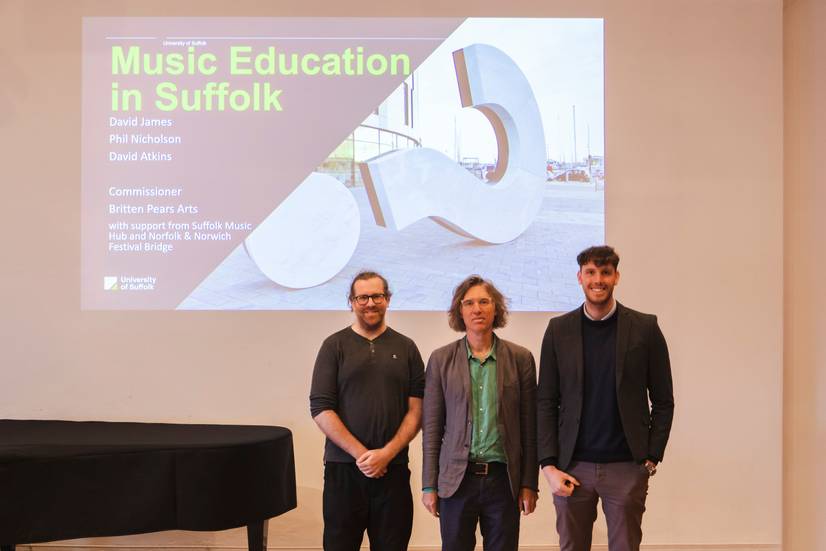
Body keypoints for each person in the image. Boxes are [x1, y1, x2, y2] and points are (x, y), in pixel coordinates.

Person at [537, 246, 674, 551]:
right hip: (572, 467)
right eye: (591, 272)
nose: (598, 280)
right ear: (579, 277)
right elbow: (545, 400)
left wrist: (650, 459)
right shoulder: (558, 330)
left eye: (605, 273)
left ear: (616, 277)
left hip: (626, 466)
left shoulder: (645, 328)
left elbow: (664, 400)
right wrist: (548, 465)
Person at [309, 271, 425, 551]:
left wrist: (386, 454)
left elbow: (417, 410)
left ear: (388, 300)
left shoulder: (406, 348)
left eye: (377, 296)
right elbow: (321, 407)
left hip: (393, 471)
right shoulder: (333, 346)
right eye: (362, 297)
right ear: (351, 301)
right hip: (344, 471)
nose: (370, 303)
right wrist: (362, 455)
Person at [422, 275, 538, 551]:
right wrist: (429, 485)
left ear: (495, 308)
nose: (477, 309)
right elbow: (432, 429)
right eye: (469, 303)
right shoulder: (440, 360)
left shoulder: (520, 359)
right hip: (456, 481)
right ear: (459, 311)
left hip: (503, 480)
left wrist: (529, 483)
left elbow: (530, 429)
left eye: (484, 302)